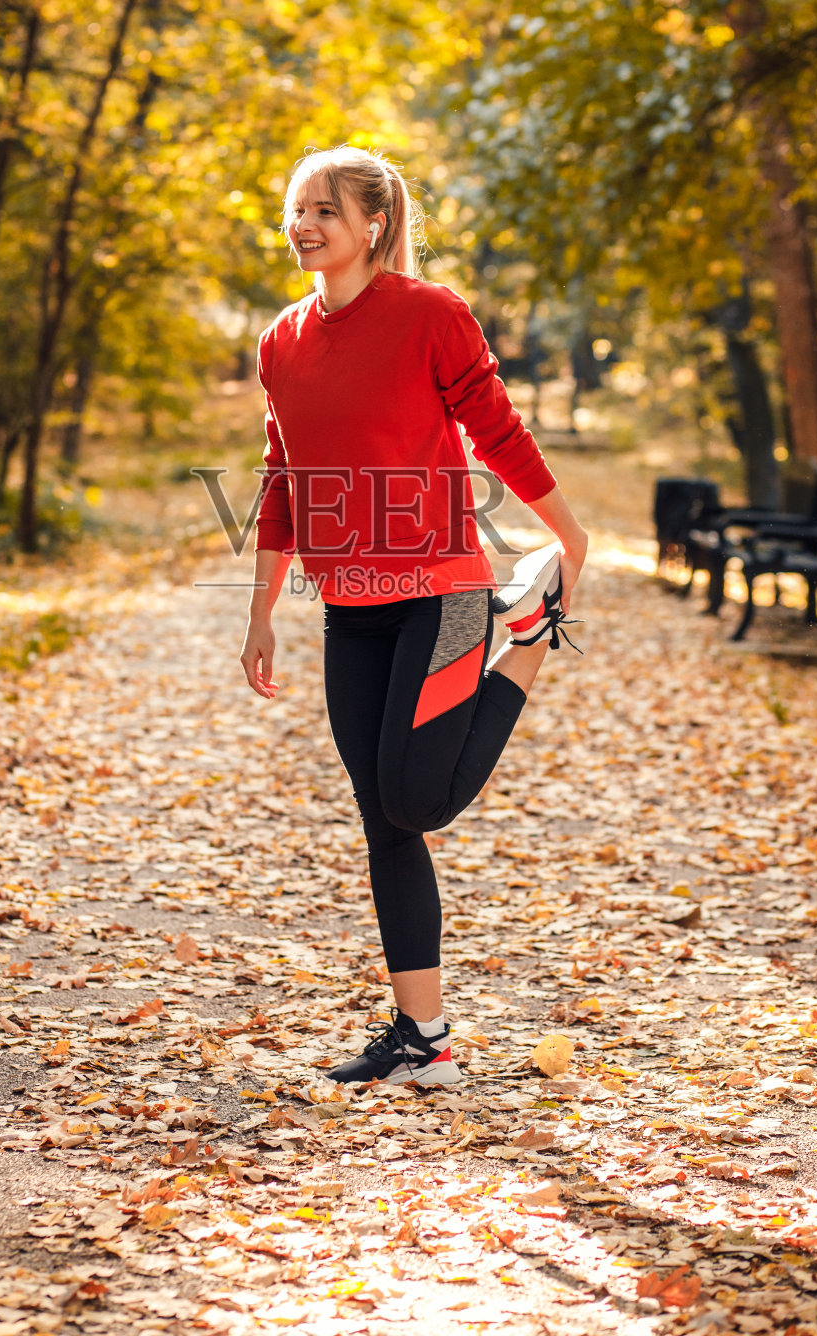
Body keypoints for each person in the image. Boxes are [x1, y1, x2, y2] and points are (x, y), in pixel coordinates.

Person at [240, 146, 588, 1086]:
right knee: (383, 821)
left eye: (323, 209)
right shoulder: (281, 339)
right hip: (350, 610)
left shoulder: (432, 316)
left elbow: (496, 429)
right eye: (293, 207)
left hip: (444, 593)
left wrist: (567, 533)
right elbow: (283, 476)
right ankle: (422, 1038)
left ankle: (527, 639)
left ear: (373, 223)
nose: (302, 224)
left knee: (418, 799)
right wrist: (262, 608)